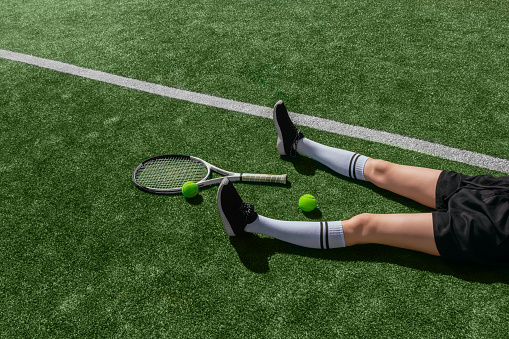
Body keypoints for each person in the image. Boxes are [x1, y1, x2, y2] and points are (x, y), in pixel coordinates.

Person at [217, 100, 509, 266]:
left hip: (490, 231)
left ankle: (251, 225)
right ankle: (298, 145)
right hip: (496, 191)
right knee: (382, 170)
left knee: (365, 225)